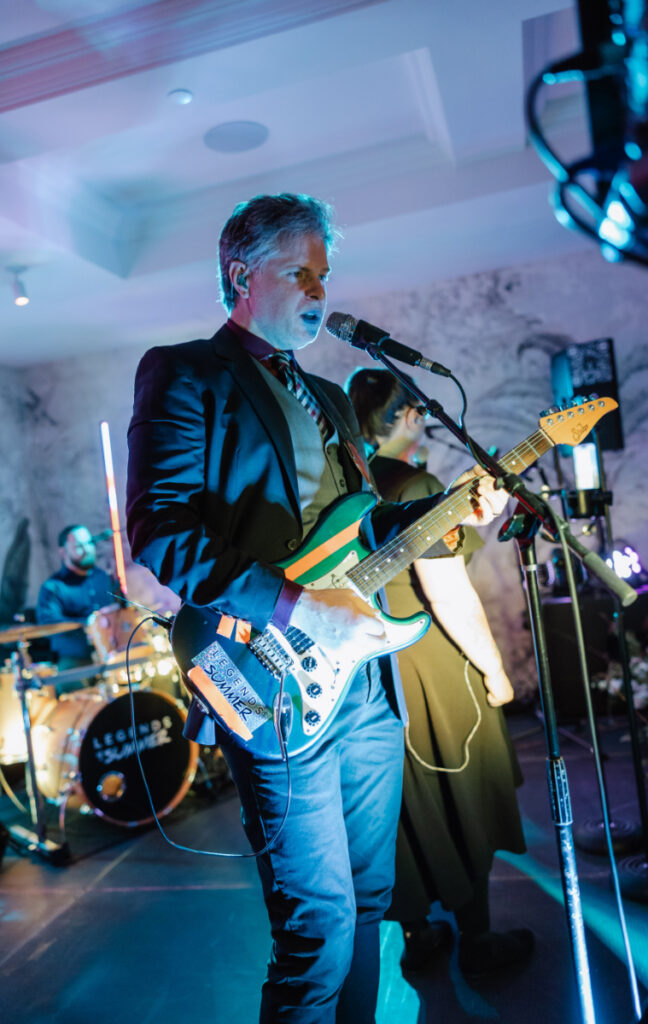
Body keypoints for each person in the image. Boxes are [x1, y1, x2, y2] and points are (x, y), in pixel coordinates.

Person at [126, 192, 509, 1022]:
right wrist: (299, 606)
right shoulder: (188, 371)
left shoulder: (333, 402)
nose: (318, 290)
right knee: (318, 929)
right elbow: (158, 534)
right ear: (240, 273)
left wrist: (452, 516)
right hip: (266, 673)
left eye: (323, 274)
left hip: (363, 690)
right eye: (298, 271)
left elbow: (367, 530)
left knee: (371, 904)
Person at [347, 368, 532, 977]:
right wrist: (495, 668)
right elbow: (447, 592)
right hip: (427, 666)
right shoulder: (415, 482)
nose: (422, 421)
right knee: (461, 794)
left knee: (400, 809)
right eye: (418, 413)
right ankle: (478, 939)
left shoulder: (348, 482)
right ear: (403, 417)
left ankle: (419, 934)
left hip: (366, 672)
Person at [35, 524, 120, 671]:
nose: (87, 550)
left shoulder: (104, 577)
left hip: (113, 653)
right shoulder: (53, 587)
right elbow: (49, 624)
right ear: (63, 552)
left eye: (89, 543)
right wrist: (90, 624)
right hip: (76, 660)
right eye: (79, 546)